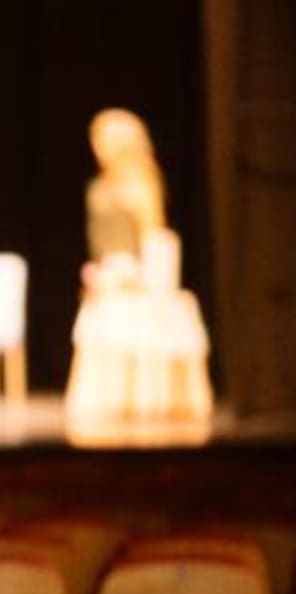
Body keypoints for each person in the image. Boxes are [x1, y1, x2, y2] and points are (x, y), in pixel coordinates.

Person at [65, 108, 212, 421]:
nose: (98, 146)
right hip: (108, 266)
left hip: (134, 269)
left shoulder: (139, 183)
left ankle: (145, 401)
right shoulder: (99, 184)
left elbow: (153, 234)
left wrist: (141, 275)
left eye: (105, 139)